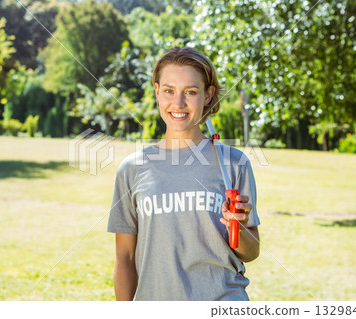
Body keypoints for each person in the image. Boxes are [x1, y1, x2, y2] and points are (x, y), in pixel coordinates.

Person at [107, 47, 260, 301]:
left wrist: (238, 226)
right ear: (157, 91)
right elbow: (125, 257)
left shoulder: (234, 164)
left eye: (190, 92)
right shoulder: (131, 170)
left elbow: (251, 251)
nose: (178, 103)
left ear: (208, 95)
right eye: (169, 91)